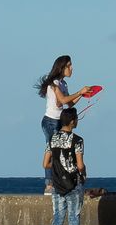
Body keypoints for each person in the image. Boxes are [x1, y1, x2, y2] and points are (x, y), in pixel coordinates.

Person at [35, 55, 91, 196]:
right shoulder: (53, 84)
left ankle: (58, 182)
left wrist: (82, 95)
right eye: (69, 65)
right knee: (53, 152)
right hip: (50, 121)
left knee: (59, 152)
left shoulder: (63, 84)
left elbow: (68, 103)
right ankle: (49, 184)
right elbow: (62, 100)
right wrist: (80, 92)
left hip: (59, 121)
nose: (71, 68)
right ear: (62, 67)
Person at [42, 108, 88, 225]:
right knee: (74, 220)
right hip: (73, 184)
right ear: (73, 121)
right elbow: (80, 165)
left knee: (57, 219)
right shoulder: (78, 140)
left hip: (57, 185)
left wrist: (57, 167)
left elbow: (45, 163)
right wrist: (83, 172)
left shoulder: (52, 139)